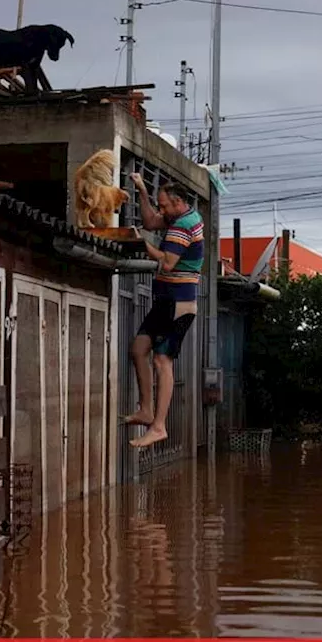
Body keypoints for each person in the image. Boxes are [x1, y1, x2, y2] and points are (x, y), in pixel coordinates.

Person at [123, 173, 204, 448]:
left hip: (179, 303)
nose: (161, 211)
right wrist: (143, 191)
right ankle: (146, 409)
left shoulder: (184, 225)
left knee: (161, 360)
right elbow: (149, 221)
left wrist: (140, 244)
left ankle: (158, 426)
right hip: (164, 300)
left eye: (165, 206)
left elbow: (167, 263)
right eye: (160, 205)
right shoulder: (177, 217)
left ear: (178, 202)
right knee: (138, 349)